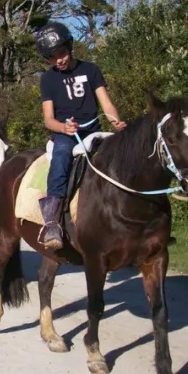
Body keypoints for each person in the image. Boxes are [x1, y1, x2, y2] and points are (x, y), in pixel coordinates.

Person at [35, 22, 127, 250]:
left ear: (70, 47)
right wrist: (63, 128)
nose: (60, 60)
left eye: (62, 53)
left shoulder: (91, 70)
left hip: (94, 129)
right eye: (53, 57)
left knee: (125, 154)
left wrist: (116, 121)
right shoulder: (48, 79)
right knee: (61, 155)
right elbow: (48, 119)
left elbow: (106, 104)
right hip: (67, 133)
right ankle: (52, 222)